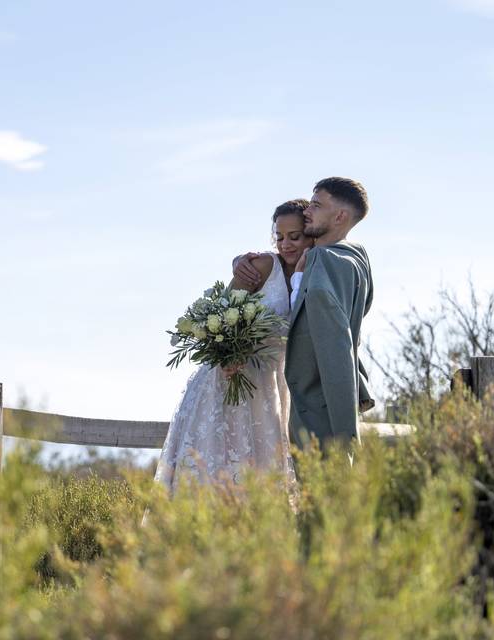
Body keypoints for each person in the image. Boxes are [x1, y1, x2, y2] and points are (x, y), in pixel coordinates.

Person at [153, 200, 312, 494]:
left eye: (295, 236)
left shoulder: (312, 272)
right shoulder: (263, 265)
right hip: (229, 378)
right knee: (216, 469)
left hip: (270, 386)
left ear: (310, 234)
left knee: (259, 473)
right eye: (280, 236)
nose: (286, 244)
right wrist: (228, 356)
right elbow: (220, 315)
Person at [236, 178, 373, 451]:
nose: (307, 211)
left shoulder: (324, 261)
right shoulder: (357, 259)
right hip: (281, 390)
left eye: (316, 205)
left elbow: (336, 340)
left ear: (340, 216)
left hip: (316, 399)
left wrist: (345, 420)